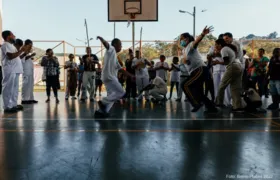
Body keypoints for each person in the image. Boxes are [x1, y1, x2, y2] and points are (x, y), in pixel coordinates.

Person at [180, 27, 217, 113]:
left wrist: (203, 34)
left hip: (200, 70)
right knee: (199, 92)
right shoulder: (184, 50)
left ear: (187, 39)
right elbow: (187, 61)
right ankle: (212, 108)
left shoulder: (190, 45)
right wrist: (185, 61)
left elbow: (196, 42)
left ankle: (196, 104)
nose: (180, 40)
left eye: (181, 38)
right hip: (194, 72)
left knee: (185, 85)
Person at [95, 36, 134, 117]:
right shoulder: (111, 49)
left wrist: (130, 75)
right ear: (115, 44)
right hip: (110, 77)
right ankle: (103, 102)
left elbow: (120, 69)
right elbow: (106, 45)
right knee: (121, 93)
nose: (121, 46)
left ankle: (100, 112)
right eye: (120, 44)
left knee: (112, 96)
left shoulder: (114, 57)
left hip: (107, 77)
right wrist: (101, 38)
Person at [1, 31, 31, 113]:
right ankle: (7, 106)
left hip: (15, 70)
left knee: (14, 89)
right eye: (12, 35)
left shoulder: (11, 46)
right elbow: (10, 56)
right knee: (8, 88)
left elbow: (17, 57)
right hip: (9, 70)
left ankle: (13, 104)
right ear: (8, 37)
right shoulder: (5, 45)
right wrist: (21, 50)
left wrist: (24, 53)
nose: (14, 36)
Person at [214, 39, 244, 112]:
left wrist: (218, 62)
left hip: (232, 67)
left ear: (220, 45)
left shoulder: (223, 49)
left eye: (216, 45)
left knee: (221, 86)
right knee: (235, 88)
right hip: (239, 66)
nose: (215, 46)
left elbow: (226, 61)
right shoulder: (229, 48)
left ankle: (219, 103)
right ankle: (237, 107)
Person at [208, 34, 231, 106]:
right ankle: (217, 101)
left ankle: (227, 102)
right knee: (216, 86)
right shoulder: (212, 47)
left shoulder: (227, 48)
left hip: (225, 69)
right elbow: (208, 56)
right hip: (215, 69)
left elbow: (226, 57)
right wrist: (212, 57)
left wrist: (216, 54)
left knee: (226, 87)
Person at [21, 39, 38, 104]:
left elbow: (27, 58)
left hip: (30, 70)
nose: (31, 46)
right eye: (30, 45)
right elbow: (22, 58)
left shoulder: (28, 51)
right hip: (26, 70)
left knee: (30, 85)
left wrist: (30, 57)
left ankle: (30, 98)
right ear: (27, 44)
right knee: (26, 84)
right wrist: (31, 55)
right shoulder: (22, 50)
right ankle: (24, 99)